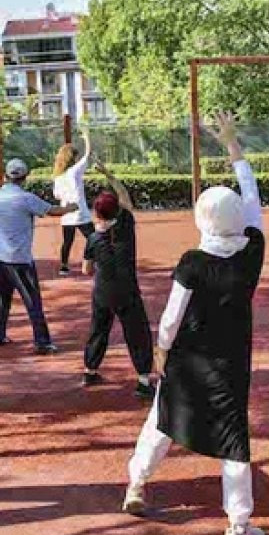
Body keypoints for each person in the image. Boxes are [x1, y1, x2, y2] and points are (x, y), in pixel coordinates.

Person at [121, 112, 267, 535]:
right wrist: (233, 145)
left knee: (161, 422)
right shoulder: (252, 253)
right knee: (233, 443)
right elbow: (253, 197)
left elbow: (170, 316)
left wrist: (161, 352)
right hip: (229, 366)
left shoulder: (190, 261)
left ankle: (135, 484)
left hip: (187, 359)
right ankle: (238, 529)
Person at [80, 133, 154, 399]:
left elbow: (86, 269)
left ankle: (89, 370)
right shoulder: (126, 227)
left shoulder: (92, 238)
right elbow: (123, 194)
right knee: (137, 334)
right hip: (127, 291)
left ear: (96, 214)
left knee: (98, 329)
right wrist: (108, 174)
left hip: (102, 291)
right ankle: (144, 380)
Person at [0, 158, 77, 355]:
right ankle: (42, 341)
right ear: (25, 177)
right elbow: (51, 211)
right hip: (19, 259)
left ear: (6, 176)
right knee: (32, 300)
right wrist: (71, 208)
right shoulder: (26, 198)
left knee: (0, 297)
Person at [52, 140, 93, 276]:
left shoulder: (58, 177)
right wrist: (87, 138)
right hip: (79, 211)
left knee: (67, 241)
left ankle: (63, 266)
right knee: (93, 237)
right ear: (72, 157)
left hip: (66, 212)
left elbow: (56, 195)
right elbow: (88, 154)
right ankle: (90, 260)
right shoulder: (74, 171)